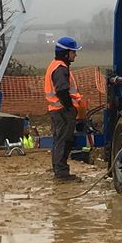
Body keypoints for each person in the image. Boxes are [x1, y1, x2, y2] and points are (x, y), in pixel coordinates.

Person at [44, 37, 82, 181]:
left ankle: (58, 169)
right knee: (64, 140)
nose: (75, 55)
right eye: (73, 52)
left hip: (57, 110)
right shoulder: (60, 69)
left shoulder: (56, 65)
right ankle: (61, 172)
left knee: (59, 140)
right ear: (66, 53)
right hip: (62, 110)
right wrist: (70, 107)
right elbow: (62, 90)